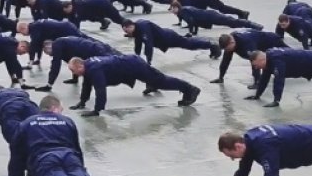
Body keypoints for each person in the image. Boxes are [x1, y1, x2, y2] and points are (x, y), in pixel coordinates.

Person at [67, 55, 201, 116]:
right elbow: (87, 84)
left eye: (73, 70)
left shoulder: (94, 69)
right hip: (131, 62)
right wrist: (82, 102)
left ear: (80, 65)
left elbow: (100, 90)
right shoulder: (89, 65)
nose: (73, 73)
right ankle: (187, 89)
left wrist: (97, 110)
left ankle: (190, 89)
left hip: (134, 66)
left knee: (161, 81)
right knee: (158, 80)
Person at [28, 37, 120, 92]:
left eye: (47, 52)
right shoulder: (61, 45)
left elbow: (55, 65)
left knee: (116, 61)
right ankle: (74, 79)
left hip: (94, 49)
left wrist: (49, 85)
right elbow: (72, 61)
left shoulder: (57, 46)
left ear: (49, 46)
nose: (48, 55)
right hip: (89, 49)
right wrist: (74, 78)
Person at [122, 19, 220, 64]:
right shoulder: (136, 30)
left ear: (131, 26)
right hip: (164, 39)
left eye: (126, 31)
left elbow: (148, 44)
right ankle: (210, 45)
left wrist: (148, 62)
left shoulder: (143, 27)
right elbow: (138, 44)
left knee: (189, 45)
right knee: (188, 42)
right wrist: (136, 58)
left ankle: (212, 45)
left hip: (169, 37)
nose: (127, 33)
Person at [211, 30, 288, 89]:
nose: (227, 50)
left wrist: (257, 81)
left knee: (289, 54)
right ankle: (221, 78)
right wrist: (221, 77)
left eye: (227, 48)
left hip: (272, 41)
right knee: (226, 58)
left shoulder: (245, 42)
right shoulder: (229, 42)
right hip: (259, 44)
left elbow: (255, 60)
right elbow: (225, 61)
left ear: (232, 42)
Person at [16, 19, 88, 65]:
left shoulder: (35, 29)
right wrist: (37, 60)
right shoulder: (35, 27)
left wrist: (30, 62)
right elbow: (39, 44)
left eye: (21, 32)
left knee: (82, 44)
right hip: (66, 27)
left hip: (67, 30)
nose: (23, 35)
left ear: (24, 28)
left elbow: (34, 44)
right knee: (85, 40)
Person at [171, 2, 262, 36]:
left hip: (210, 16)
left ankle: (253, 25)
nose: (172, 11)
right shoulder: (185, 9)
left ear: (177, 8)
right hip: (210, 16)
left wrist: (190, 32)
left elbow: (191, 21)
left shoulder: (183, 12)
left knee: (232, 22)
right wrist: (194, 32)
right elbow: (194, 21)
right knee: (231, 22)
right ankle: (252, 25)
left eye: (172, 9)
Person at [168, 0, 248, 20]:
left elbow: (188, 9)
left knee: (222, 9)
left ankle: (242, 13)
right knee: (202, 15)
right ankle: (207, 24)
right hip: (201, 1)